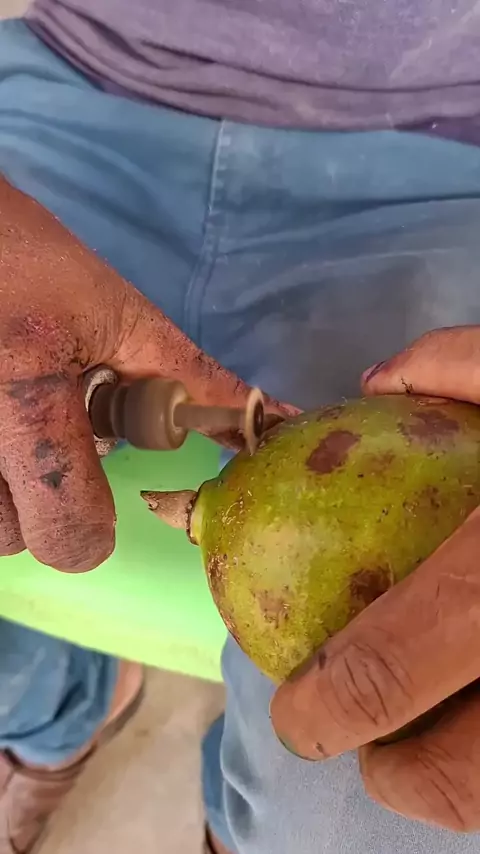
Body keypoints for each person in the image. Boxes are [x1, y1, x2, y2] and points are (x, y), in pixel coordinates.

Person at [2, 2, 480, 852]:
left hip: (451, 163)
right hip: (76, 88)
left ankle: (234, 825)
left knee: (383, 814)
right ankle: (57, 712)